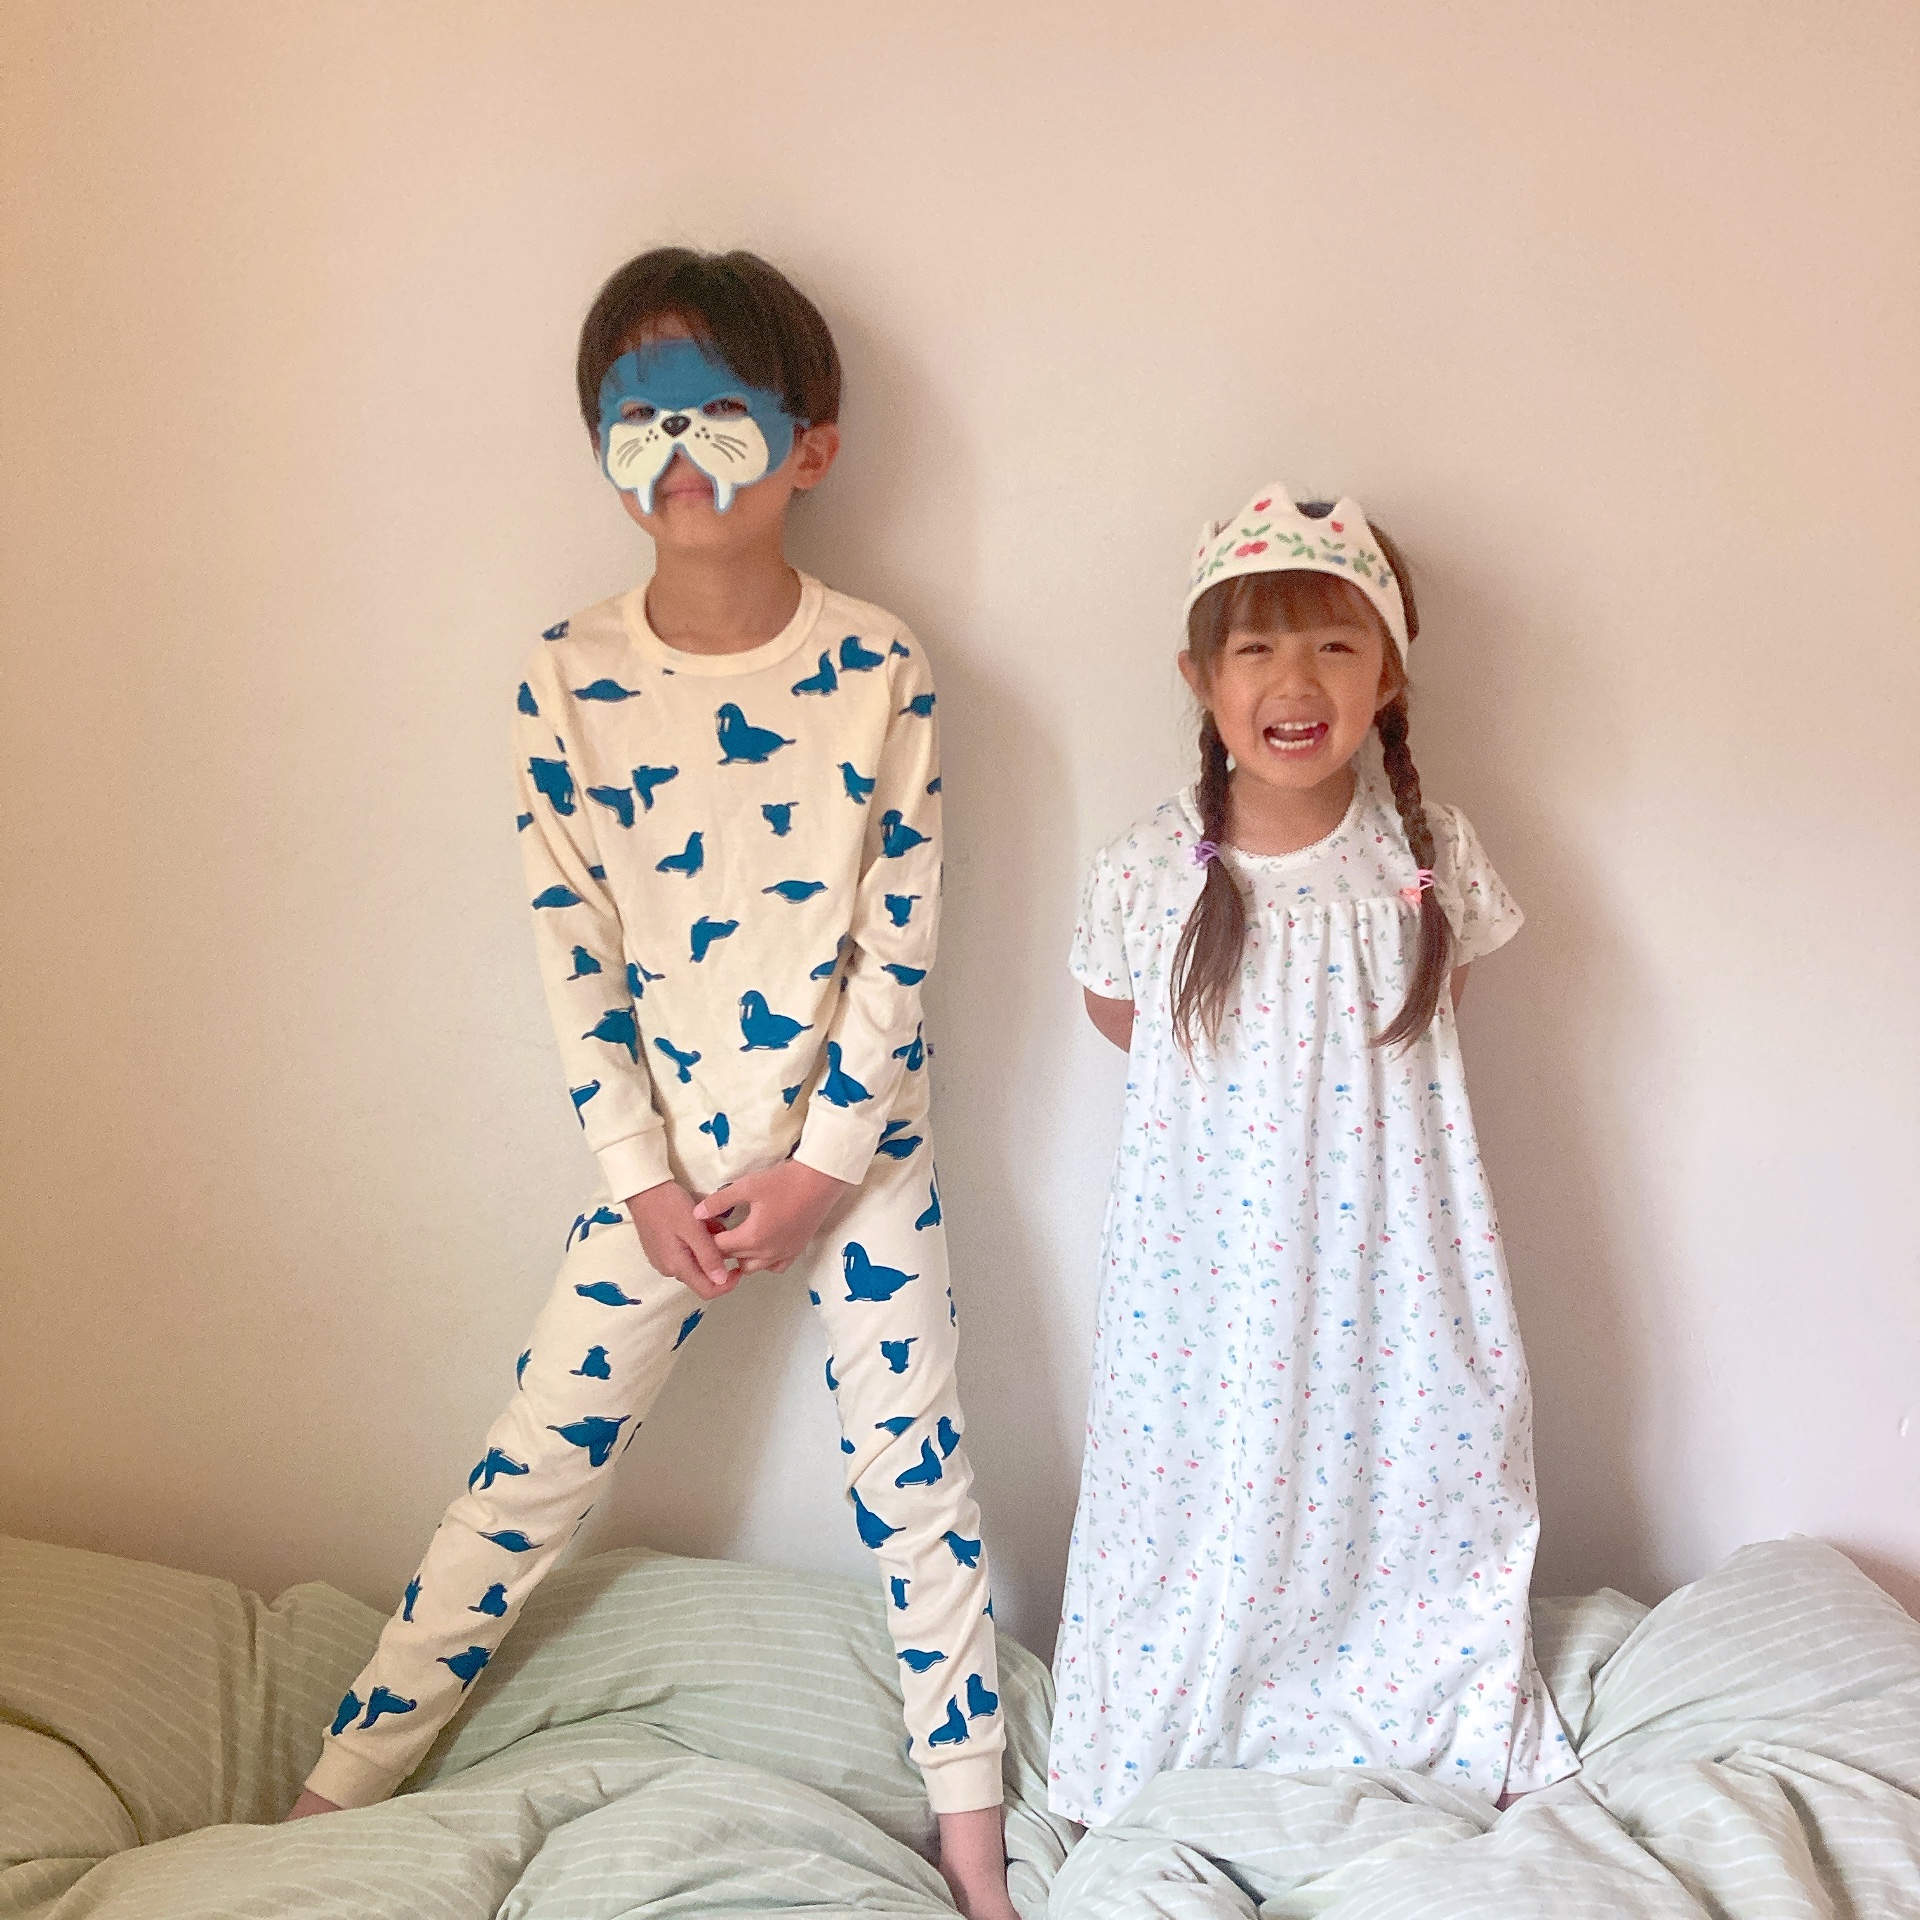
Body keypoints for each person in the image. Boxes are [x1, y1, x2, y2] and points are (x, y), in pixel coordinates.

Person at [288, 248, 1015, 1920]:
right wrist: (638, 1174)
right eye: (636, 417)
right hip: (663, 1178)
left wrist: (828, 1164)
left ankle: (973, 1845)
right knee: (530, 1468)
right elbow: (574, 944)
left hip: (857, 1162)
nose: (677, 449)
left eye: (716, 411)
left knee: (918, 1476)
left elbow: (900, 934)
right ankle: (330, 1793)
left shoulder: (882, 667)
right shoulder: (563, 674)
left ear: (809, 446)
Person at [1047, 486, 1577, 1824]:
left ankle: (1399, 1710)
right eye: (1256, 648)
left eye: (1337, 645)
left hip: (1391, 1254)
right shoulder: (1147, 868)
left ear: (1388, 676)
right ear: (1199, 678)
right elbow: (1119, 1016)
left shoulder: (1427, 855)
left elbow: (1440, 999)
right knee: (1203, 1480)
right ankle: (1198, 1719)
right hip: (1207, 1265)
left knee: (1414, 1460)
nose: (1295, 681)